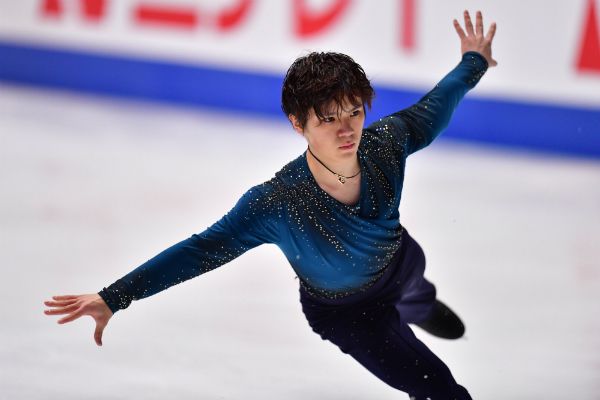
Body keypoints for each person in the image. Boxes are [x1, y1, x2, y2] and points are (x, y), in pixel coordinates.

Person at [44, 10, 497, 399]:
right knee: (440, 389)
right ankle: (413, 310)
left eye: (355, 112)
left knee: (416, 287)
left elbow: (438, 104)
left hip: (400, 263)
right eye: (328, 119)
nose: (347, 130)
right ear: (298, 123)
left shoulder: (386, 144)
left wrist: (474, 61)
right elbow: (202, 249)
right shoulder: (277, 201)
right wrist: (115, 297)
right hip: (347, 315)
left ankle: (421, 305)